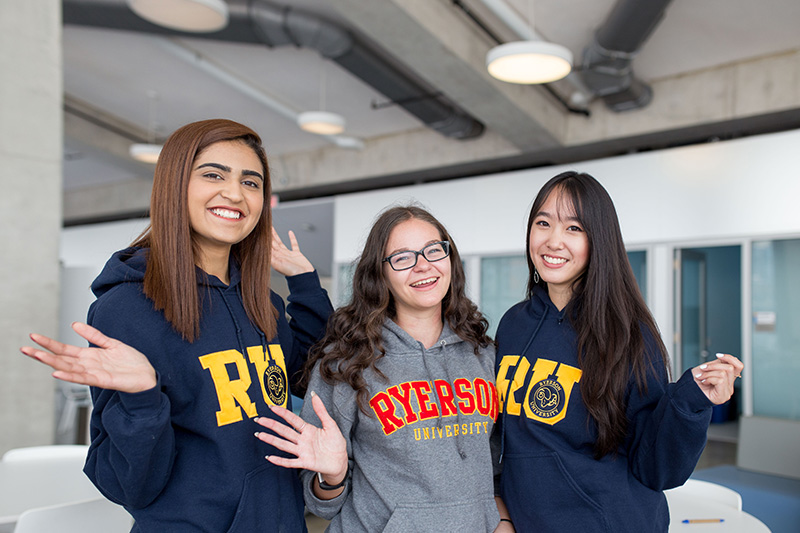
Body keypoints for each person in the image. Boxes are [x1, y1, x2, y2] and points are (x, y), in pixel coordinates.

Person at [21, 119, 333, 533]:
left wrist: (306, 284)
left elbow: (308, 377)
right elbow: (130, 486)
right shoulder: (127, 308)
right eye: (213, 174)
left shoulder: (263, 303)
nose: (235, 193)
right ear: (175, 185)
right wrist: (142, 399)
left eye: (251, 182)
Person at [492, 171, 744, 532]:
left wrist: (691, 400)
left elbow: (655, 467)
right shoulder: (514, 323)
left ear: (599, 240)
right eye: (543, 223)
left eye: (573, 228)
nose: (553, 240)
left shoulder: (628, 333)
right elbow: (503, 436)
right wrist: (502, 511)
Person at [253, 205, 505, 531]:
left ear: (450, 259)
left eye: (433, 250)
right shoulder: (347, 362)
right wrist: (332, 475)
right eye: (402, 258)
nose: (423, 266)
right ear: (380, 274)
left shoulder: (484, 355)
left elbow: (499, 465)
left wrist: (503, 519)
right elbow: (319, 503)